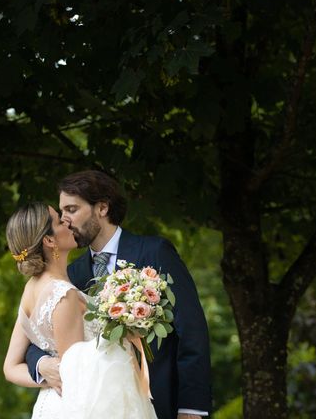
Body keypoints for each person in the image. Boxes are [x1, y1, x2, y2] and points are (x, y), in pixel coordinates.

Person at [26, 170, 212, 419]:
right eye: (61, 213)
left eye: (71, 209)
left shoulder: (155, 252)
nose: (65, 220)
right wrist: (41, 364)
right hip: (99, 407)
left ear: (101, 208)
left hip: (161, 401)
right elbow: (36, 335)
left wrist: (191, 408)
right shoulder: (71, 274)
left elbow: (192, 331)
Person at [3, 202, 157, 418]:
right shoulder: (64, 295)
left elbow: (10, 368)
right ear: (49, 240)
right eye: (59, 220)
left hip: (52, 404)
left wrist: (46, 374)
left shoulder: (32, 288)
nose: (66, 221)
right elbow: (79, 381)